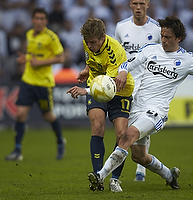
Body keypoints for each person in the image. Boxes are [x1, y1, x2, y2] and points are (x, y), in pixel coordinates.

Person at [87, 15, 193, 190]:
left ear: (179, 39)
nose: (164, 40)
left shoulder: (187, 61)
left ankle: (100, 176)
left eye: (168, 37)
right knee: (139, 157)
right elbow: (127, 64)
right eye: (162, 36)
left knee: (127, 136)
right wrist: (122, 71)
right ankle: (170, 175)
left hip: (156, 112)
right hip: (137, 107)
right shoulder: (151, 49)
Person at [66, 18, 134, 192]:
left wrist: (85, 90)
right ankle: (98, 177)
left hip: (119, 90)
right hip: (96, 85)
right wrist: (86, 70)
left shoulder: (115, 50)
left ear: (103, 37)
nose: (89, 45)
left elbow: (108, 86)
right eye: (87, 42)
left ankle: (115, 179)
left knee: (121, 135)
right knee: (97, 126)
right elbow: (94, 62)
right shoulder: (87, 41)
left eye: (93, 42)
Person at [5, 8, 66, 161]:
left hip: (44, 84)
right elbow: (31, 55)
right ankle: (17, 150)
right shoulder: (28, 34)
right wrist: (24, 59)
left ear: (46, 21)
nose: (39, 21)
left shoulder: (51, 38)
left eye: (42, 19)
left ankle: (60, 140)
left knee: (48, 116)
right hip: (27, 80)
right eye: (36, 18)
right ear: (32, 20)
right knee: (20, 114)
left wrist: (41, 62)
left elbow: (61, 58)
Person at [114, 0, 161, 182]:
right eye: (135, 3)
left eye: (142, 3)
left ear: (148, 4)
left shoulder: (157, 29)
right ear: (130, 5)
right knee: (125, 128)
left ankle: (141, 166)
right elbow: (117, 55)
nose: (138, 7)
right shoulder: (121, 27)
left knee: (142, 123)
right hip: (126, 85)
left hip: (148, 85)